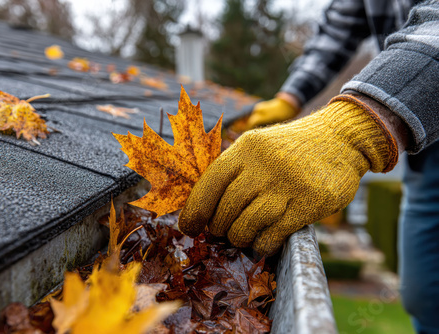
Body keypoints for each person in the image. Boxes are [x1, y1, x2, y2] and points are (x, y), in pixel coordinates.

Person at [178, 0, 439, 333]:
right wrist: (290, 96)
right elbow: (338, 31)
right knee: (424, 294)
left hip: (412, 110)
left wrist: (352, 128)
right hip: (423, 145)